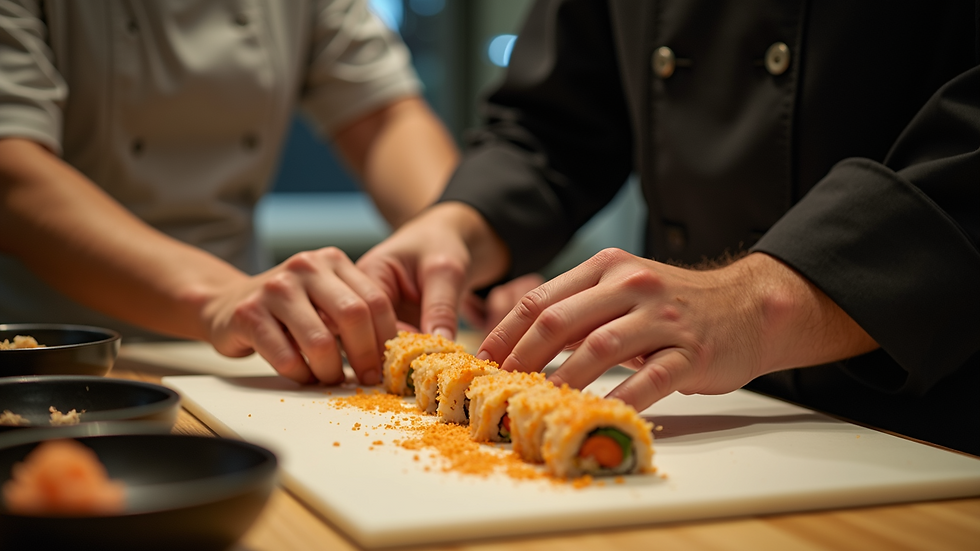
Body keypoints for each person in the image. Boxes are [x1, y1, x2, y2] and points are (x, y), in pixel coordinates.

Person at [356, 0, 980, 454]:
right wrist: (462, 223)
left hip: (934, 424)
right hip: (684, 412)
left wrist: (755, 303)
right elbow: (555, 119)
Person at [0, 0, 461, 385]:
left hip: (247, 352)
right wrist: (219, 298)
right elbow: (13, 175)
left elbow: (385, 119)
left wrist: (456, 232)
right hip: (51, 358)